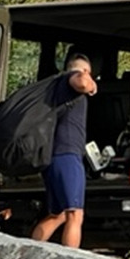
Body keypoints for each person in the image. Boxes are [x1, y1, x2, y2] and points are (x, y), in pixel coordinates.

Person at [30, 53, 97, 248]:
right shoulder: (74, 79)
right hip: (67, 154)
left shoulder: (55, 87)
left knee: (56, 215)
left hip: (52, 156)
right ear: (83, 70)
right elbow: (83, 82)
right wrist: (91, 85)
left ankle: (30, 251)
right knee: (75, 214)